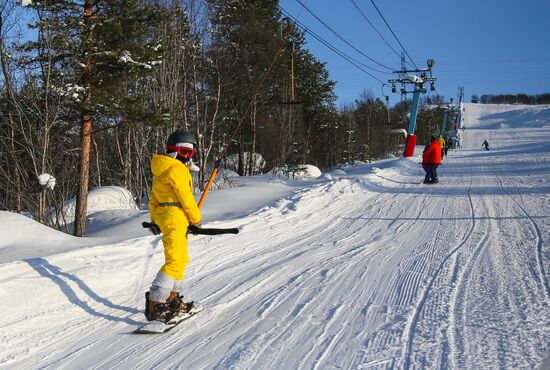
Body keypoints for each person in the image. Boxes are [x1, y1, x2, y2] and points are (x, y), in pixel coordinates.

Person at [145, 129, 202, 323]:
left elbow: (153, 198)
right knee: (175, 261)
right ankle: (155, 303)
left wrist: (155, 220)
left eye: (191, 153)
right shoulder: (176, 169)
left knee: (181, 258)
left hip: (168, 216)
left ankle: (173, 298)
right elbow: (185, 198)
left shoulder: (161, 168)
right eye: (185, 152)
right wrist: (196, 219)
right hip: (175, 216)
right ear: (173, 150)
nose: (188, 157)